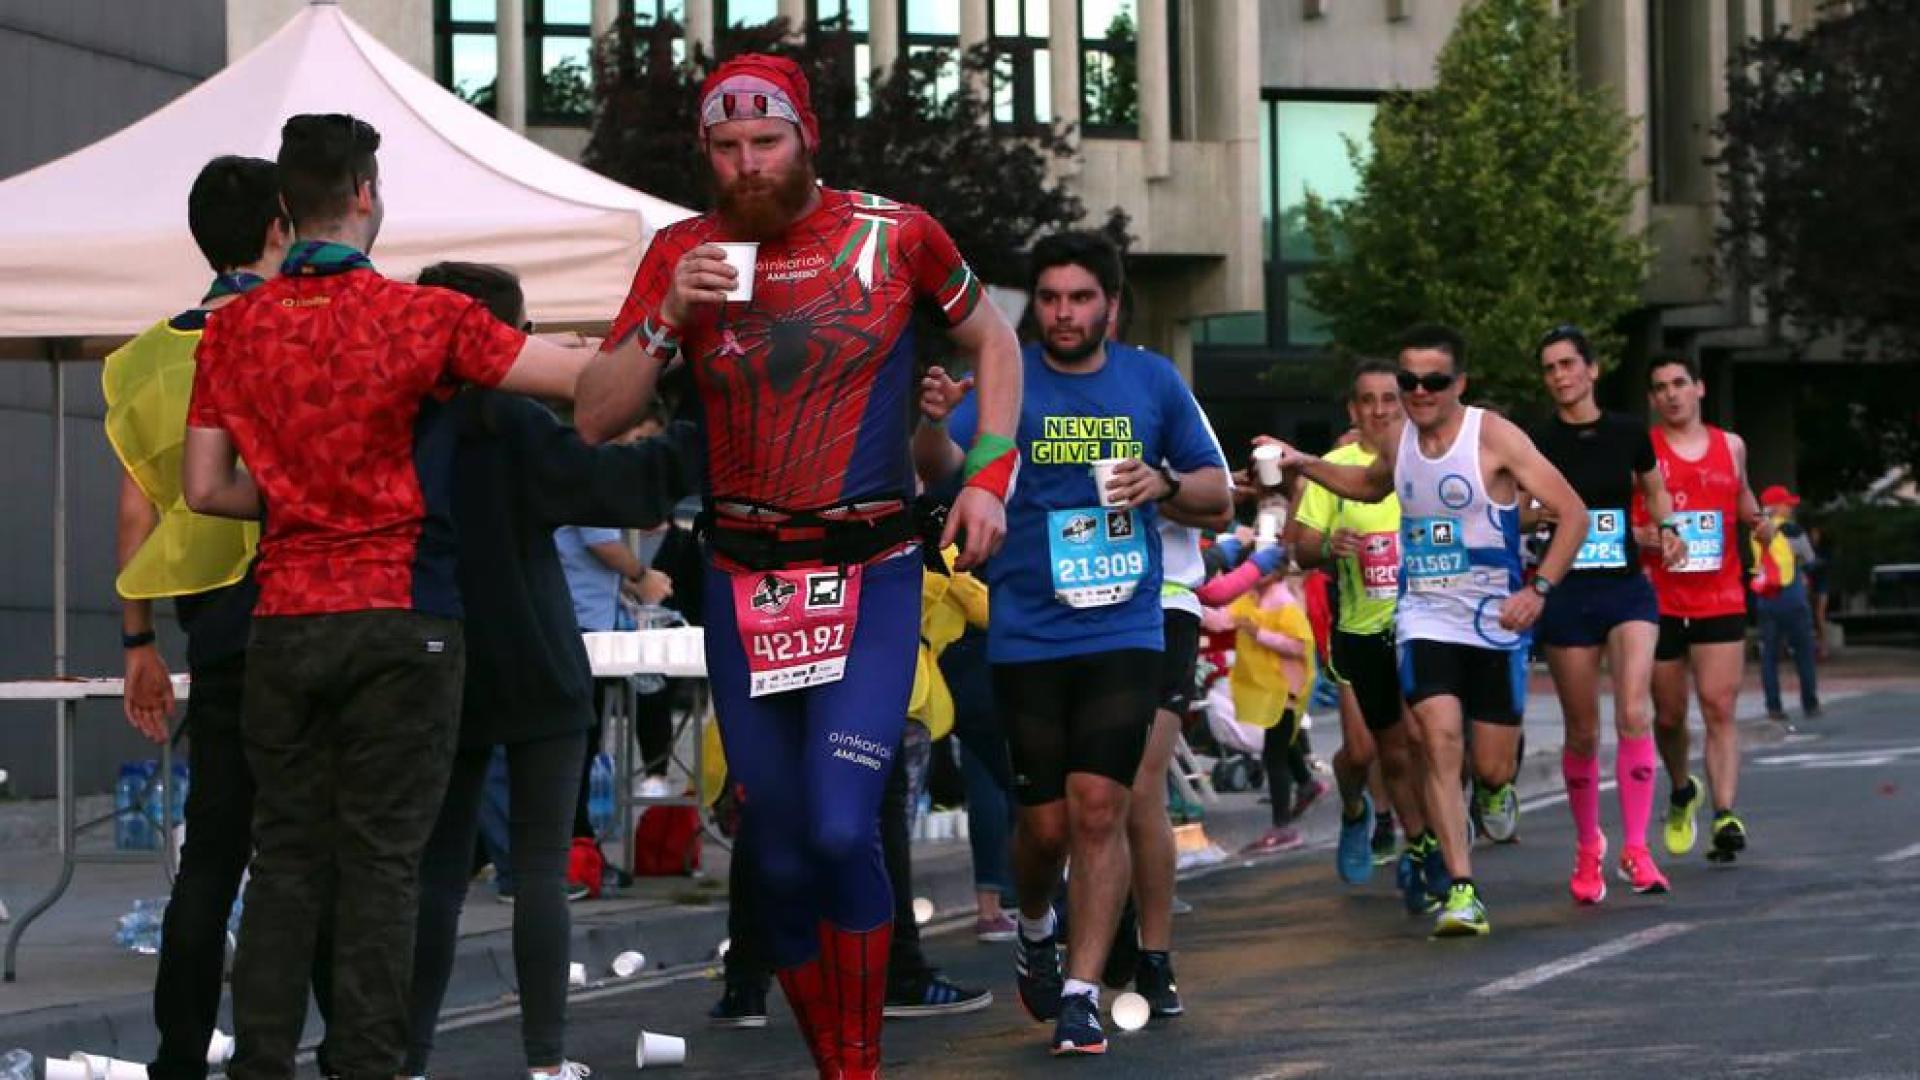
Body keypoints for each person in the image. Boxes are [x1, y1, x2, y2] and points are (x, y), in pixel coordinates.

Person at [573, 55, 1021, 1080]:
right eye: (724, 148)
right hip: (744, 576)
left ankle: (855, 1065)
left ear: (805, 136)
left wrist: (988, 478)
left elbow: (994, 343)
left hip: (872, 565)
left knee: (832, 823)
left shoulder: (894, 232)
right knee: (771, 850)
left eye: (764, 142)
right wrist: (664, 318)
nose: (745, 166)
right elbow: (597, 416)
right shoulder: (682, 250)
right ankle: (838, 1063)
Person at [181, 114, 589, 1080]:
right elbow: (581, 385)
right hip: (402, 615)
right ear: (366, 193)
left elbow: (204, 488)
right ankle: (367, 1064)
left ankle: (262, 1063)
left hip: (285, 617)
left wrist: (296, 497)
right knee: (382, 863)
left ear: (285, 207)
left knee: (284, 858)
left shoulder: (232, 330)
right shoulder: (423, 318)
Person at [918, 230, 1232, 1054]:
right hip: (1027, 628)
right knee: (1046, 827)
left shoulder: (1152, 381)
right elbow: (942, 471)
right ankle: (1033, 923)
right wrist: (928, 422)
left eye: (1080, 298)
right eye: (1051, 298)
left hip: (1126, 625)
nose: (1064, 313)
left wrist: (1162, 482)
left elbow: (1218, 493)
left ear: (1111, 305)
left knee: (1104, 807)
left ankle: (1084, 992)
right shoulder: (1006, 379)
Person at [400, 261, 696, 1080]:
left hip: (434, 658)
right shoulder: (513, 421)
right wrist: (695, 434)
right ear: (510, 338)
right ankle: (544, 1058)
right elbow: (623, 488)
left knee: (436, 876)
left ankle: (408, 1056)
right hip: (535, 655)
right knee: (539, 869)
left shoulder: (400, 417)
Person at [104, 155, 336, 1080]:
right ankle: (349, 1050)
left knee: (212, 856)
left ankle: (176, 1058)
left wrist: (136, 644)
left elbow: (134, 514)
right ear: (282, 224)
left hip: (215, 629)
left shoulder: (143, 361)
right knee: (318, 847)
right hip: (305, 597)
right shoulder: (307, 328)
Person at [1262, 324, 1588, 938]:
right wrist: (1304, 462)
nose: (1417, 392)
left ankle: (1494, 794)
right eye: (1407, 380)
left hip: (1494, 616)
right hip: (1425, 614)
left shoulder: (1492, 435)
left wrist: (1537, 589)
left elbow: (1573, 513)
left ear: (1458, 384)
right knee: (1435, 739)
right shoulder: (1401, 440)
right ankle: (1461, 889)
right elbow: (1368, 482)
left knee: (1490, 765)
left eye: (1432, 381)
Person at [1530, 327, 1687, 903]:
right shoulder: (1538, 440)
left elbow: (1656, 489)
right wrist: (1540, 515)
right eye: (1549, 368)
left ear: (1591, 370)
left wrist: (1666, 528)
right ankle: (1587, 847)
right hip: (1568, 591)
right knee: (1582, 730)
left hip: (1626, 588)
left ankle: (1637, 848)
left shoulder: (1627, 433)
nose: (1559, 376)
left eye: (1568, 364)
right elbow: (1517, 510)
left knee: (1632, 711)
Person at [1290, 359, 1437, 904]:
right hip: (1357, 629)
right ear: (1354, 410)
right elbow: (1299, 547)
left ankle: (1425, 844)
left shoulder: (1428, 459)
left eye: (1389, 399)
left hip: (1421, 629)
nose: (1379, 410)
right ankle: (1355, 808)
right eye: (1367, 400)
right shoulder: (1335, 468)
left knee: (1420, 744)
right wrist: (1332, 547)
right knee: (1361, 750)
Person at [1631, 356, 1772, 865]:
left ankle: (1725, 814)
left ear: (1699, 389)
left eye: (1679, 384)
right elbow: (1627, 520)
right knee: (1669, 717)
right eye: (1660, 387)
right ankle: (1681, 788)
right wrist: (1646, 535)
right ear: (1652, 398)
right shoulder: (1643, 450)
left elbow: (1742, 500)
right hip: (1661, 598)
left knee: (1719, 705)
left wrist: (1759, 522)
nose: (1671, 394)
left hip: (1720, 594)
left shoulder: (1730, 445)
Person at [1752, 485, 1822, 722]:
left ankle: (1774, 707)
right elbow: (1809, 559)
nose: (1791, 508)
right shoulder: (1791, 529)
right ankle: (1810, 703)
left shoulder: (1755, 529)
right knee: (1803, 652)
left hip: (1765, 595)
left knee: (1769, 655)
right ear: (1778, 506)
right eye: (1787, 503)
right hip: (1791, 595)